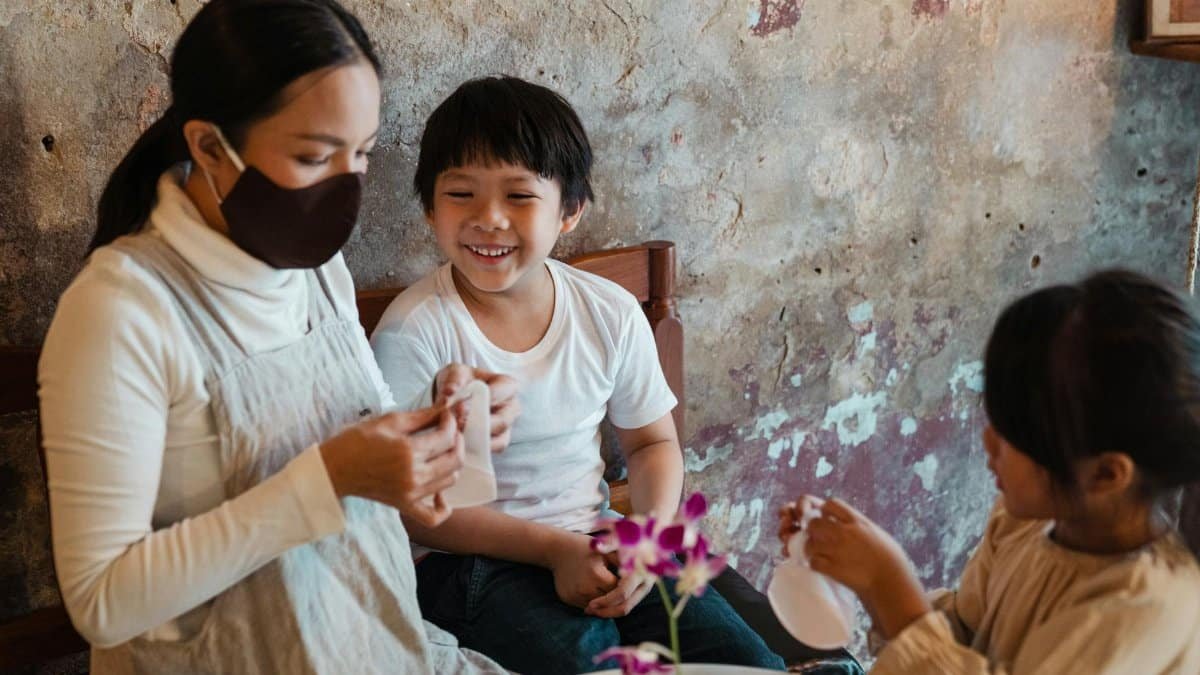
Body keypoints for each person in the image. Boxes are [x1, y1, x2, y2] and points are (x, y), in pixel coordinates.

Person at [37, 1, 516, 672]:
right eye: (316, 156)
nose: (346, 186)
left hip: (374, 643)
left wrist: (441, 422)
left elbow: (361, 444)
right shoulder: (120, 311)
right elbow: (103, 601)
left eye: (363, 154)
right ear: (208, 146)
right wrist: (323, 481)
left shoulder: (318, 270)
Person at [370, 75, 784, 674]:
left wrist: (647, 539)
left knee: (751, 665)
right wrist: (553, 551)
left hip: (599, 539)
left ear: (569, 210)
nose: (489, 218)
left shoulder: (607, 311)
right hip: (468, 561)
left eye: (518, 196)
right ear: (430, 207)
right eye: (461, 194)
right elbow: (411, 509)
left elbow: (652, 443)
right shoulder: (417, 332)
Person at [779, 270, 1200, 674]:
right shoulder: (1023, 525)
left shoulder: (1142, 610)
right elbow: (964, 635)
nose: (988, 442)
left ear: (1106, 474)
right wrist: (860, 571)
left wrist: (886, 580)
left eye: (1012, 434)